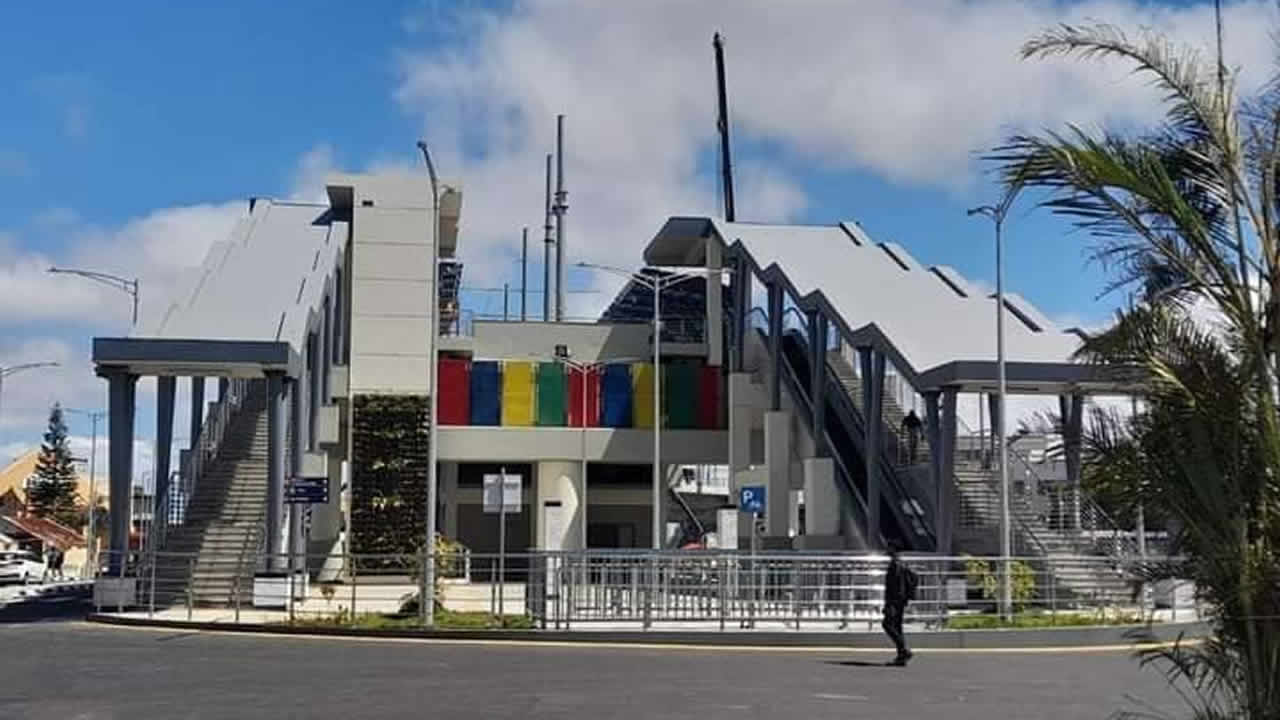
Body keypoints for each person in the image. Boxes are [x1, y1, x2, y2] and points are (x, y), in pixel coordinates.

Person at [882, 542, 916, 666]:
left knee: (887, 624)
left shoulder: (894, 565)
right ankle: (901, 657)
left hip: (894, 600)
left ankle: (903, 650)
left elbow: (893, 587)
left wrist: (888, 604)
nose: (886, 549)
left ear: (893, 549)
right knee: (897, 626)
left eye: (888, 547)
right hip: (901, 600)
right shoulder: (902, 563)